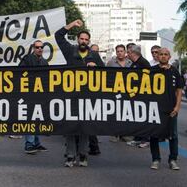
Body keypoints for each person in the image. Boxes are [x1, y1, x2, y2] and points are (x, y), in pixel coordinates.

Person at [55, 19, 104, 167]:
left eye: (86, 40)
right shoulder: (70, 50)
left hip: (88, 97)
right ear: (77, 40)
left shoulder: (94, 55)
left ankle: (83, 155)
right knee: (70, 127)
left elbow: (105, 74)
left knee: (85, 127)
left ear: (89, 42)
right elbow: (58, 36)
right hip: (70, 96)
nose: (84, 41)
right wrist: (71, 25)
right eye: (81, 39)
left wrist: (96, 67)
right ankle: (70, 156)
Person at [150, 48, 183, 170]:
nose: (163, 56)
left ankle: (173, 159)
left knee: (173, 135)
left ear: (169, 57)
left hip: (171, 109)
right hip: (155, 109)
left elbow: (179, 91)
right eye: (161, 54)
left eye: (166, 54)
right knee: (153, 134)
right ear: (157, 56)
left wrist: (177, 106)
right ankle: (155, 159)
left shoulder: (175, 72)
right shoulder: (151, 71)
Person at [19, 40, 48, 154]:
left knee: (37, 119)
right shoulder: (27, 59)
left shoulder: (44, 61)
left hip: (40, 94)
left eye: (41, 47)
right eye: (37, 47)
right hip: (29, 94)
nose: (40, 49)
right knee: (30, 119)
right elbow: (20, 73)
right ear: (33, 48)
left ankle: (36, 143)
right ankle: (29, 144)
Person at [126, 45, 151, 148]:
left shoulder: (143, 63)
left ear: (133, 53)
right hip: (135, 96)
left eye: (128, 53)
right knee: (137, 118)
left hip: (143, 96)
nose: (127, 55)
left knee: (143, 118)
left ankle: (145, 139)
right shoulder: (134, 64)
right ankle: (137, 138)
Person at [107, 44, 133, 143]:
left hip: (128, 91)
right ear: (116, 52)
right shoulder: (111, 63)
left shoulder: (131, 63)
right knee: (116, 112)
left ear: (125, 52)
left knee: (127, 112)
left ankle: (125, 134)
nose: (120, 53)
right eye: (118, 51)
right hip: (115, 91)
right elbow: (106, 75)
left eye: (121, 51)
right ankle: (115, 134)